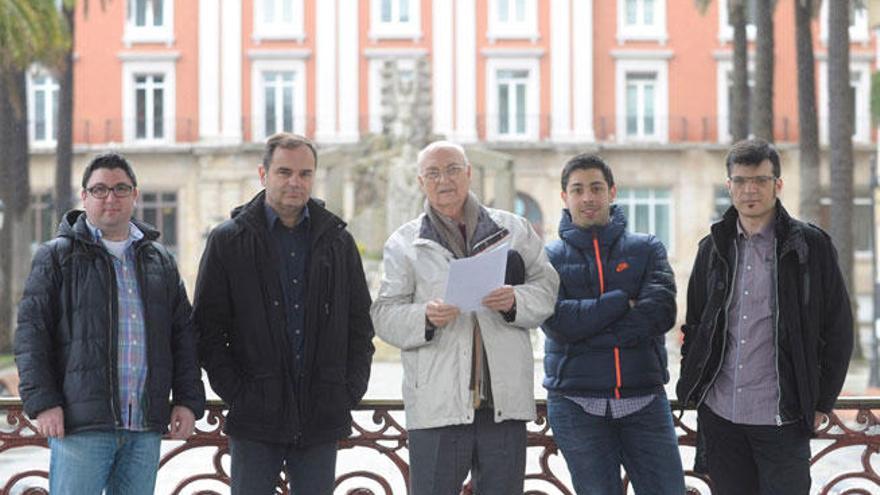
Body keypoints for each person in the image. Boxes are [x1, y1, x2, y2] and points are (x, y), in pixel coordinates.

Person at [371, 140, 559, 495]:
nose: (445, 179)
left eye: (453, 169)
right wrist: (424, 316)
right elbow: (384, 314)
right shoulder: (403, 243)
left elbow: (548, 289)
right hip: (437, 406)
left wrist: (514, 300)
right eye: (433, 173)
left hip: (503, 404)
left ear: (469, 173)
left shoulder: (513, 229)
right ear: (420, 181)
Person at [14, 152, 205, 495]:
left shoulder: (160, 260)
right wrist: (43, 403)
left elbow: (183, 336)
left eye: (120, 188)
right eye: (99, 189)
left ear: (135, 195)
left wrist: (188, 401)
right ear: (84, 197)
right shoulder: (56, 256)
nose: (110, 198)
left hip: (144, 427)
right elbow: (31, 335)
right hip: (81, 426)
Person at [194, 132, 375, 494]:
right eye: (284, 172)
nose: (295, 182)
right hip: (254, 416)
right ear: (264, 174)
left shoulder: (337, 241)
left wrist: (348, 391)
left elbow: (360, 325)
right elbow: (207, 329)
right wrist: (236, 392)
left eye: (305, 174)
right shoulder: (228, 241)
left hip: (321, 414)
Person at [676, 138, 854, 494]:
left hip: (782, 418)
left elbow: (839, 330)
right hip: (722, 417)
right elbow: (695, 325)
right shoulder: (711, 249)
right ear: (729, 186)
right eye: (740, 181)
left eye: (759, 180)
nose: (749, 190)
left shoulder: (810, 246)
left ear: (778, 184)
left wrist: (821, 402)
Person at [541, 153, 685, 494]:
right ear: (565, 197)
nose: (588, 197)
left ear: (612, 192)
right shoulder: (548, 257)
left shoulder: (647, 248)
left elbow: (661, 312)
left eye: (596, 187)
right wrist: (622, 302)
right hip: (576, 405)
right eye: (578, 189)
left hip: (643, 400)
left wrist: (588, 330)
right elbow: (557, 323)